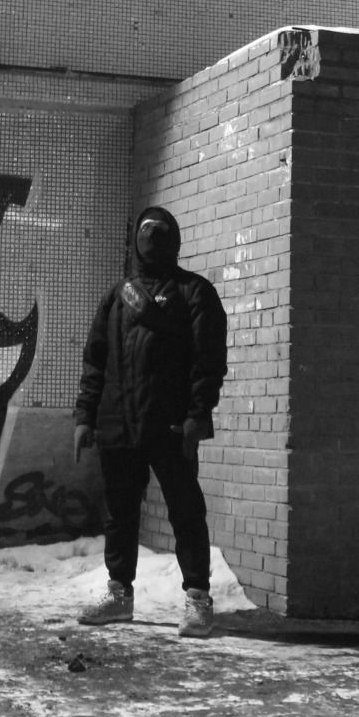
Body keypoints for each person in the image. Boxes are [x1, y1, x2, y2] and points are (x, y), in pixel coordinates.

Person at [72, 205, 228, 637]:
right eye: (146, 230)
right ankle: (119, 594)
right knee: (119, 513)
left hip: (171, 426)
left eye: (160, 230)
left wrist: (198, 414)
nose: (152, 237)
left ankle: (198, 598)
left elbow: (208, 362)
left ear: (174, 238)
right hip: (118, 424)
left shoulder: (194, 293)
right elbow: (95, 362)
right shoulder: (117, 296)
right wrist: (85, 416)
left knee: (186, 511)